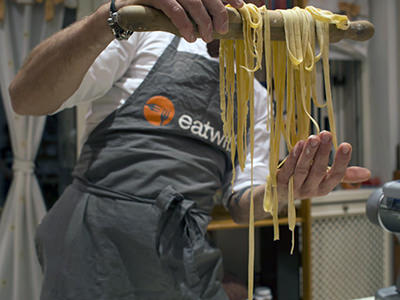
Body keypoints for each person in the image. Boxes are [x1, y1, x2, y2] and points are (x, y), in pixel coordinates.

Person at [9, 0, 371, 299]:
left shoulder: (256, 98)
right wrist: (109, 18)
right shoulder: (145, 32)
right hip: (92, 243)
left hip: (181, 254)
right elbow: (25, 97)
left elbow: (242, 202)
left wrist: (282, 192)